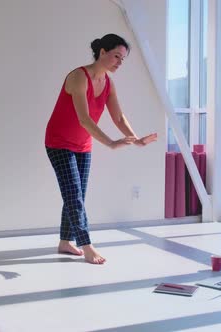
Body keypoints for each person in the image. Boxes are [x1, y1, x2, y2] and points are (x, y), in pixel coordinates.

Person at [45, 33, 158, 264]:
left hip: (83, 145)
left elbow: (118, 117)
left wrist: (134, 139)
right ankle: (86, 245)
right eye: (116, 56)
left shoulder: (108, 83)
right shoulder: (79, 77)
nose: (119, 62)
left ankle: (65, 242)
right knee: (74, 194)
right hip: (58, 142)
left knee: (76, 195)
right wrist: (111, 143)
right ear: (102, 52)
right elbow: (84, 119)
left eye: (123, 59)